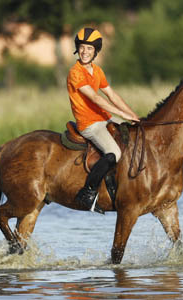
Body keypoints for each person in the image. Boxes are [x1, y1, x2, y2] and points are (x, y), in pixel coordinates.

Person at [67, 27, 140, 214]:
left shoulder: (97, 71)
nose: (85, 51)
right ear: (78, 48)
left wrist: (132, 115)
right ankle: (88, 192)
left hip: (104, 118)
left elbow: (111, 94)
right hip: (89, 124)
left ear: (95, 51)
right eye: (82, 47)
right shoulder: (75, 73)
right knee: (114, 152)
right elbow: (96, 98)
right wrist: (121, 115)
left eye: (89, 48)